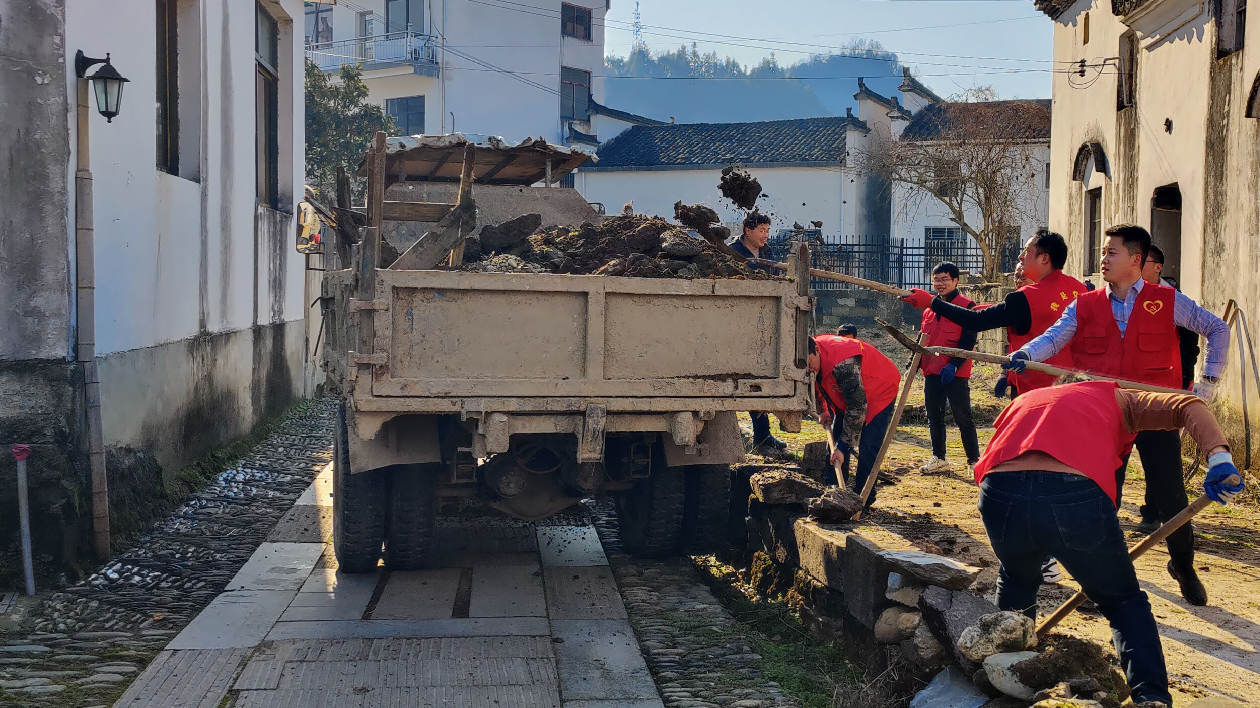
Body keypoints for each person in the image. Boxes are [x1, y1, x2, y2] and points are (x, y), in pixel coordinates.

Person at [973, 378, 1243, 706]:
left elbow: (996, 455)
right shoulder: (1117, 397)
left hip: (999, 492)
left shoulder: (1027, 400)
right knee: (1123, 602)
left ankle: (1005, 678)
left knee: (1016, 579)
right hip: (1072, 495)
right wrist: (1218, 458)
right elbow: (1189, 404)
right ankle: (1150, 698)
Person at [1006, 224, 1231, 605]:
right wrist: (1026, 355)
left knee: (1171, 495)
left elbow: (1217, 328)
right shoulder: (1086, 303)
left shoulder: (1167, 300)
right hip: (1104, 412)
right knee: (1101, 494)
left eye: (1111, 252)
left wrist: (1207, 383)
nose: (1103, 258)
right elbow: (1055, 337)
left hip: (1156, 409)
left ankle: (1184, 565)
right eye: (1104, 251)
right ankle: (1099, 579)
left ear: (1136, 260)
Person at [902, 229, 1085, 398]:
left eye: (1026, 251)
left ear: (1044, 258)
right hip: (1075, 386)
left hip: (1037, 390)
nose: (1020, 256)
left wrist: (932, 302)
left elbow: (976, 321)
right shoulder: (1080, 289)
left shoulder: (1025, 298)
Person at [1136, 244, 1204, 533]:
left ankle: (1160, 516)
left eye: (1143, 262)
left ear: (1157, 267)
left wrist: (1185, 383)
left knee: (1161, 456)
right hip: (1131, 389)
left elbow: (1190, 347)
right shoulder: (1129, 297)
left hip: (1166, 391)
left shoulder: (1176, 301)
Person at [808, 332, 902, 507]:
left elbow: (858, 408)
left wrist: (843, 447)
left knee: (867, 447)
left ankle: (863, 499)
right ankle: (833, 492)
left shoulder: (843, 365)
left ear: (816, 350)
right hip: (848, 395)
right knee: (834, 446)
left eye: (809, 363)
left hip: (879, 389)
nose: (808, 369)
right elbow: (813, 382)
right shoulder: (808, 359)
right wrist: (823, 410)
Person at [915, 262, 981, 474]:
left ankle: (974, 461)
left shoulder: (967, 306)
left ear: (955, 281)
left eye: (945, 279)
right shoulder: (929, 309)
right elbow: (922, 337)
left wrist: (953, 365)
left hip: (955, 372)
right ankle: (939, 458)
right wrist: (914, 362)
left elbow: (969, 340)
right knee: (934, 415)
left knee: (963, 417)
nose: (940, 284)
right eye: (936, 279)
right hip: (931, 370)